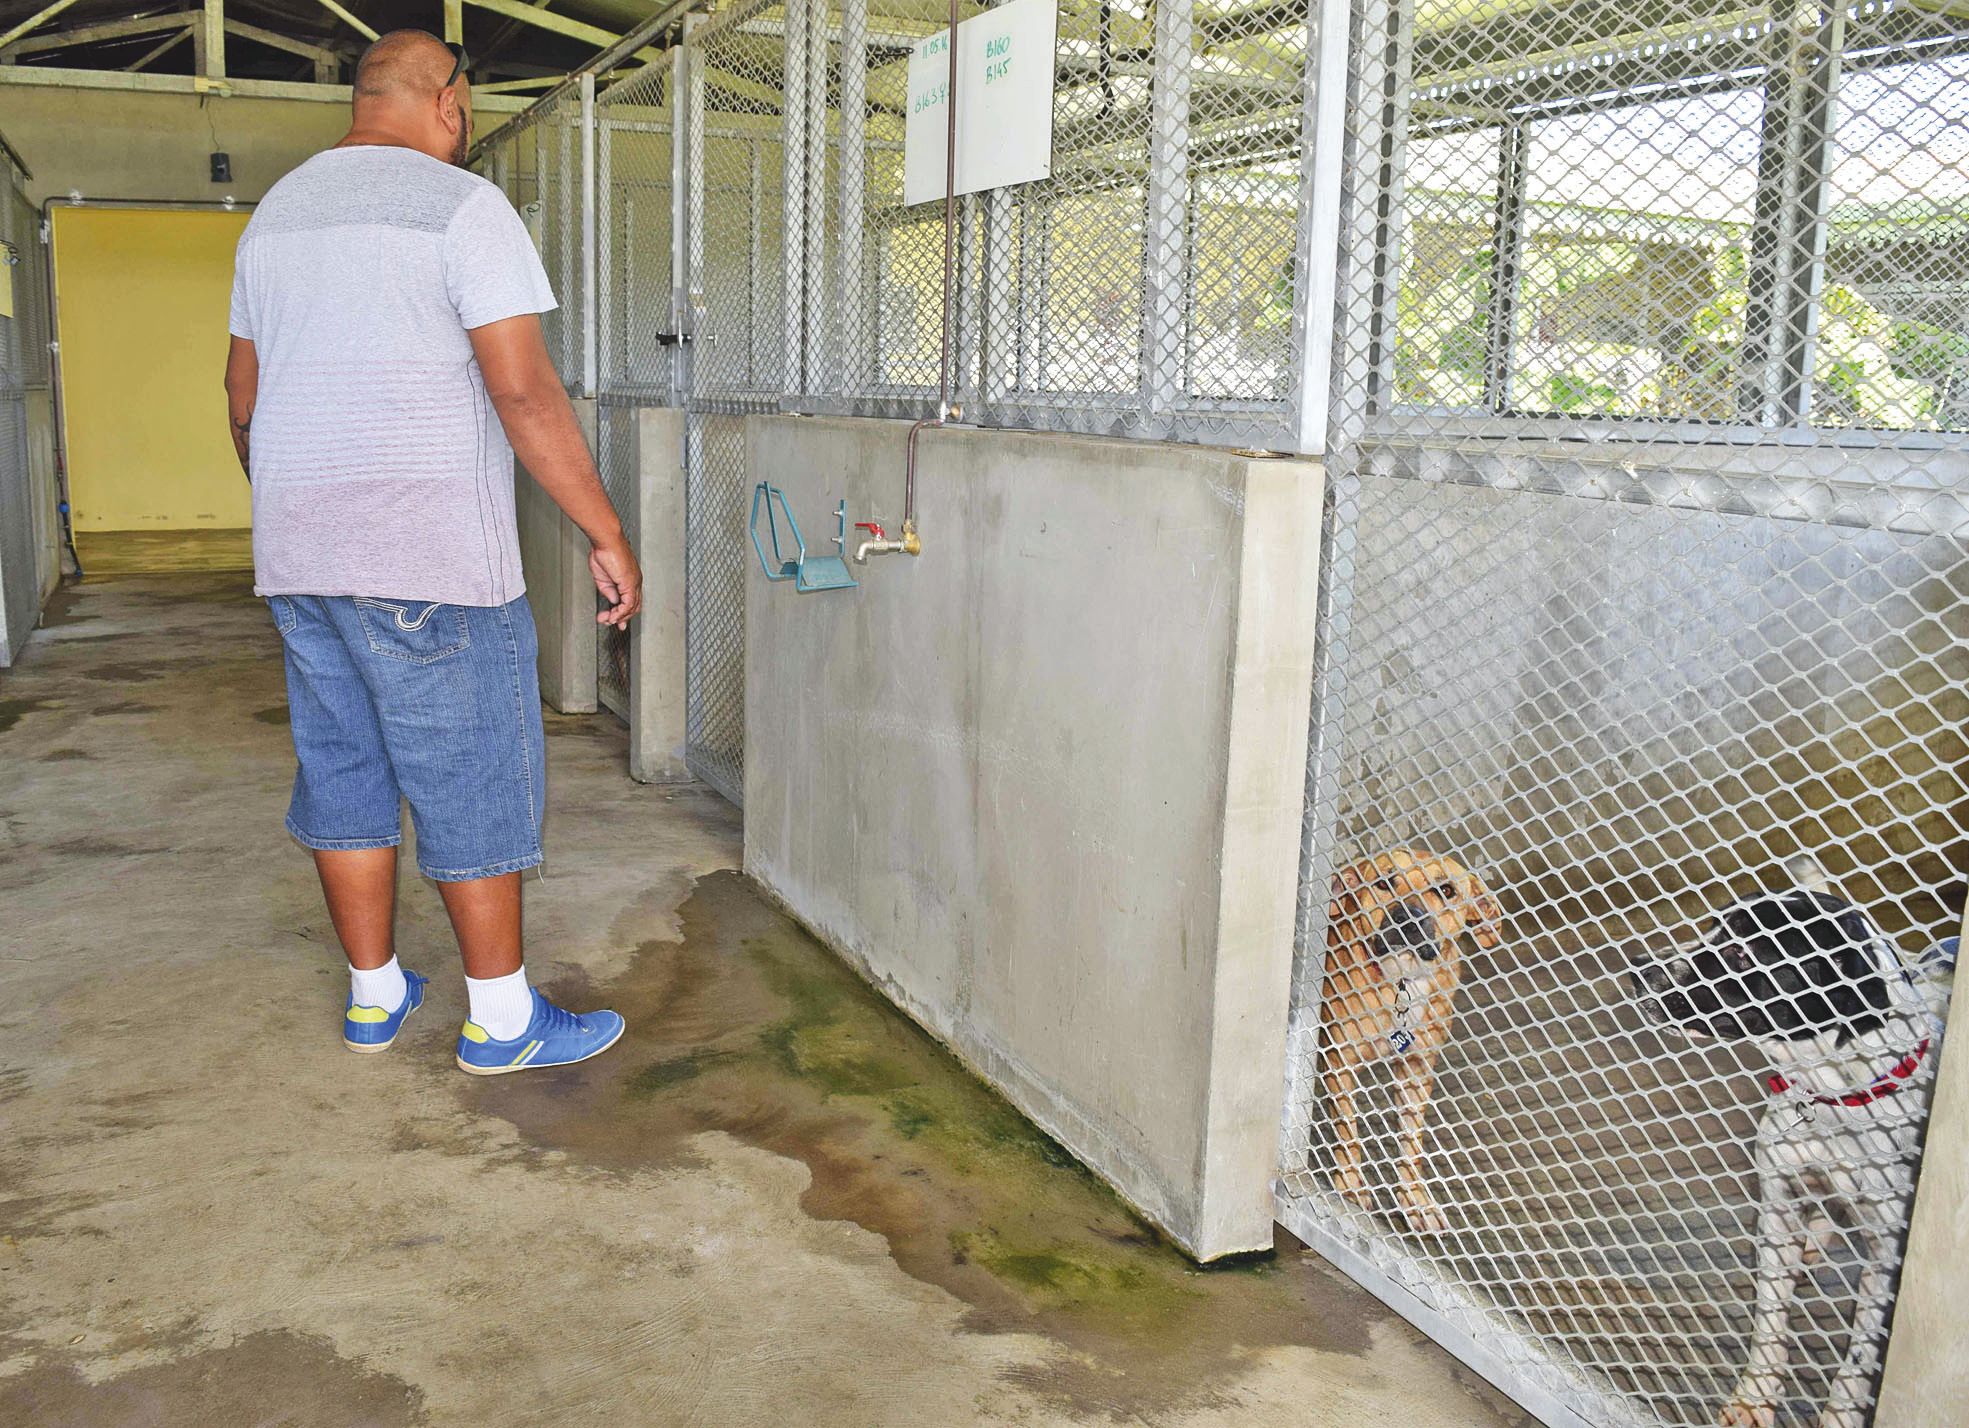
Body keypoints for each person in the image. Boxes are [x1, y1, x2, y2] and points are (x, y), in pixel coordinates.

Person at [224, 29, 641, 1075]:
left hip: (300, 557)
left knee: (344, 772)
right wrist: (605, 529)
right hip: (431, 560)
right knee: (471, 776)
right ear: (449, 101)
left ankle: (374, 997)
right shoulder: (464, 208)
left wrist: (299, 508)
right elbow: (521, 392)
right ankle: (502, 1023)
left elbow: (242, 397)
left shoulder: (275, 215)